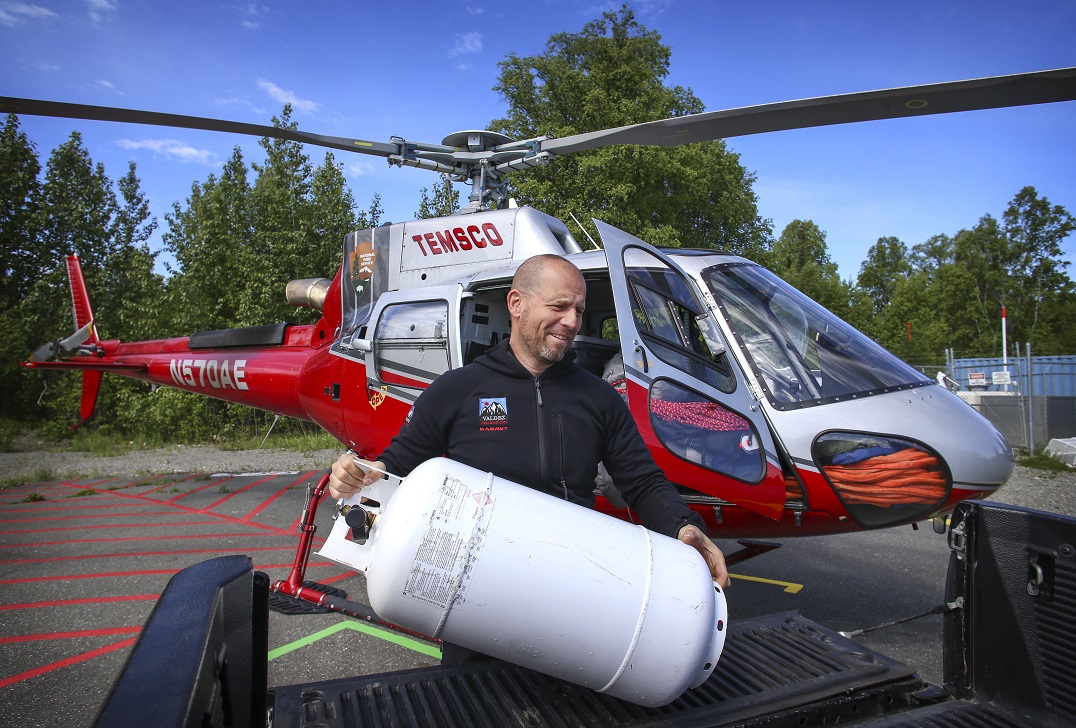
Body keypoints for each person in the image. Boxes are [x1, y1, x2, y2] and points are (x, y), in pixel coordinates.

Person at [329, 253, 729, 588]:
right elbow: (397, 465)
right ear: (517, 304)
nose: (572, 322)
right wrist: (359, 474)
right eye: (559, 307)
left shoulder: (599, 398)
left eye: (579, 310)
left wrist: (683, 527)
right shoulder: (458, 389)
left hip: (572, 579)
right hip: (474, 585)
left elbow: (642, 482)